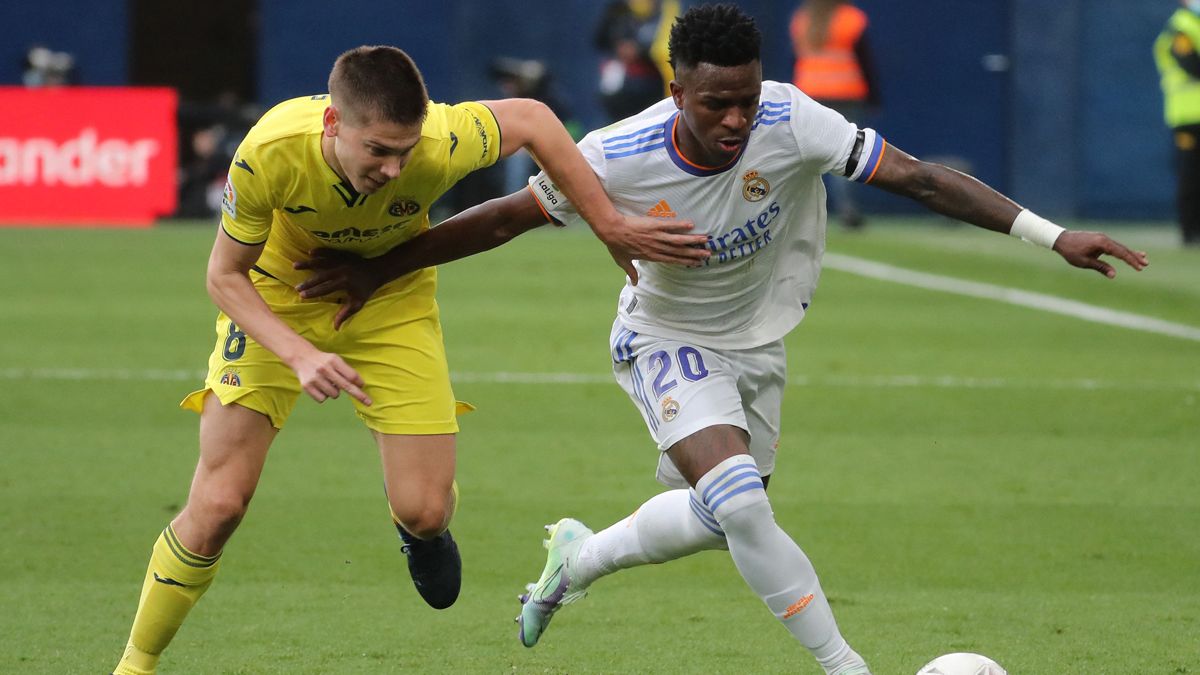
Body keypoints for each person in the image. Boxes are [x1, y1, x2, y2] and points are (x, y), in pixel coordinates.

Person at [294, 8, 1148, 674]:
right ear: (675, 94)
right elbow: (501, 219)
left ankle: (577, 560)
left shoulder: (792, 118)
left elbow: (920, 177)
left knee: (721, 517)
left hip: (759, 342)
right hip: (663, 336)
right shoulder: (615, 155)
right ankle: (847, 664)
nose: (737, 117)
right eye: (715, 102)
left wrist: (1051, 233)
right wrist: (380, 270)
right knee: (741, 499)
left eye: (746, 96)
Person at [111, 45, 708, 675]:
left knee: (424, 510)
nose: (395, 169)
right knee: (220, 505)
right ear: (333, 125)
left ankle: (420, 535)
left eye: (405, 149)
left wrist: (608, 223)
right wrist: (300, 354)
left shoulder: (444, 137)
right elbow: (224, 276)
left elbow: (534, 118)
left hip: (389, 300)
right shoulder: (270, 151)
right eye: (378, 151)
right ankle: (135, 664)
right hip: (277, 300)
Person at [790, 0, 879, 230]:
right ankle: (848, 210)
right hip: (846, 93)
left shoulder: (802, 19)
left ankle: (798, 212)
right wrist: (874, 95)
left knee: (806, 156)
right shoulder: (851, 19)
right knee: (847, 154)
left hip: (809, 94)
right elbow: (865, 60)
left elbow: (797, 58)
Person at [1155, 0, 1200, 247]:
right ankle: (1190, 232)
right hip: (1187, 116)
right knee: (1191, 174)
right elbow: (1192, 65)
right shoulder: (1181, 28)